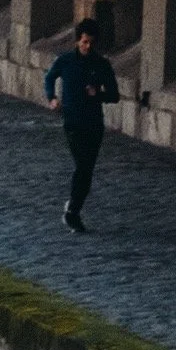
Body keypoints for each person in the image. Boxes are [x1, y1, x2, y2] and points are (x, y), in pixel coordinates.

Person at [44, 18, 120, 233]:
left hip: (94, 123)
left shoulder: (102, 65)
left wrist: (99, 94)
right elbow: (49, 78)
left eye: (91, 43)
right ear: (78, 41)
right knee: (83, 166)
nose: (87, 47)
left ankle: (73, 207)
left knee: (87, 169)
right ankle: (73, 212)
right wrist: (52, 98)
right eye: (85, 42)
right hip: (73, 122)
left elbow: (114, 95)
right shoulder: (66, 61)